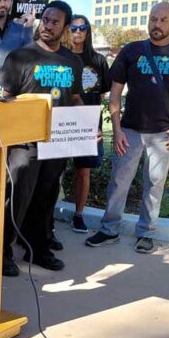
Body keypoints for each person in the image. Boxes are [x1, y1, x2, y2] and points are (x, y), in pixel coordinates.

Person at [86, 2, 169, 253]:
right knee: (119, 181)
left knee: (154, 184)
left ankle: (146, 232)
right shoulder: (132, 50)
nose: (157, 24)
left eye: (164, 20)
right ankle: (109, 229)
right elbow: (115, 92)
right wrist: (118, 129)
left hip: (165, 132)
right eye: (153, 19)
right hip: (130, 130)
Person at [0, 0, 83, 277]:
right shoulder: (20, 57)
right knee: (18, 197)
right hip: (24, 142)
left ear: (66, 27)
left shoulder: (73, 61)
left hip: (58, 140)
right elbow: (4, 99)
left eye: (54, 21)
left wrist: (85, 123)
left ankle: (37, 247)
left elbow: (74, 98)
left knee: (47, 196)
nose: (47, 25)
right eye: (44, 20)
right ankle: (3, 252)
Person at [68, 15, 110, 233]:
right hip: (61, 122)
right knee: (52, 172)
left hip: (90, 123)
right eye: (73, 28)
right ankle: (45, 217)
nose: (78, 32)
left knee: (83, 171)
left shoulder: (98, 60)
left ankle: (79, 215)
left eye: (82, 28)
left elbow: (101, 94)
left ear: (88, 31)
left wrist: (94, 125)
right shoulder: (61, 57)